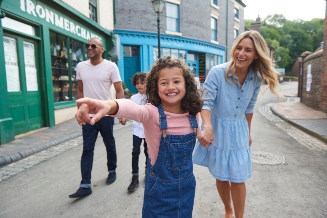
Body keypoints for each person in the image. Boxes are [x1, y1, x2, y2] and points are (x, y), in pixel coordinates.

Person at [75, 56, 203, 217]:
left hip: (186, 190)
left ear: (186, 84)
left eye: (176, 81)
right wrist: (108, 105)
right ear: (155, 86)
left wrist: (204, 135)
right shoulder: (151, 112)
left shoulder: (193, 115)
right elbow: (130, 107)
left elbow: (199, 135)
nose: (170, 87)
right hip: (159, 194)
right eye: (164, 83)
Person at [193, 30, 280, 218]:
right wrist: (207, 126)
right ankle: (228, 210)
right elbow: (205, 103)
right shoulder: (217, 72)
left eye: (248, 50)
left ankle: (239, 216)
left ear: (256, 54)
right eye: (238, 48)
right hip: (218, 129)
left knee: (239, 178)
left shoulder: (256, 78)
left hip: (239, 130)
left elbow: (249, 108)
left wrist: (248, 133)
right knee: (222, 175)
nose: (241, 53)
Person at [69, 37, 125, 198]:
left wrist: (120, 111)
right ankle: (85, 184)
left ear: (101, 49)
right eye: (87, 45)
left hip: (106, 114)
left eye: (93, 46)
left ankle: (112, 170)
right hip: (89, 116)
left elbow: (119, 90)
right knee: (87, 148)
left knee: (109, 144)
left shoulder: (111, 67)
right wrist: (80, 110)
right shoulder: (81, 66)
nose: (89, 48)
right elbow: (80, 89)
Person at [127, 72, 148, 192]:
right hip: (137, 130)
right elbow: (128, 111)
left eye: (142, 83)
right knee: (135, 152)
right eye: (137, 83)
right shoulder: (133, 98)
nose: (139, 86)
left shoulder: (152, 97)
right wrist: (124, 116)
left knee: (148, 151)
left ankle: (148, 172)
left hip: (148, 130)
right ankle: (135, 177)